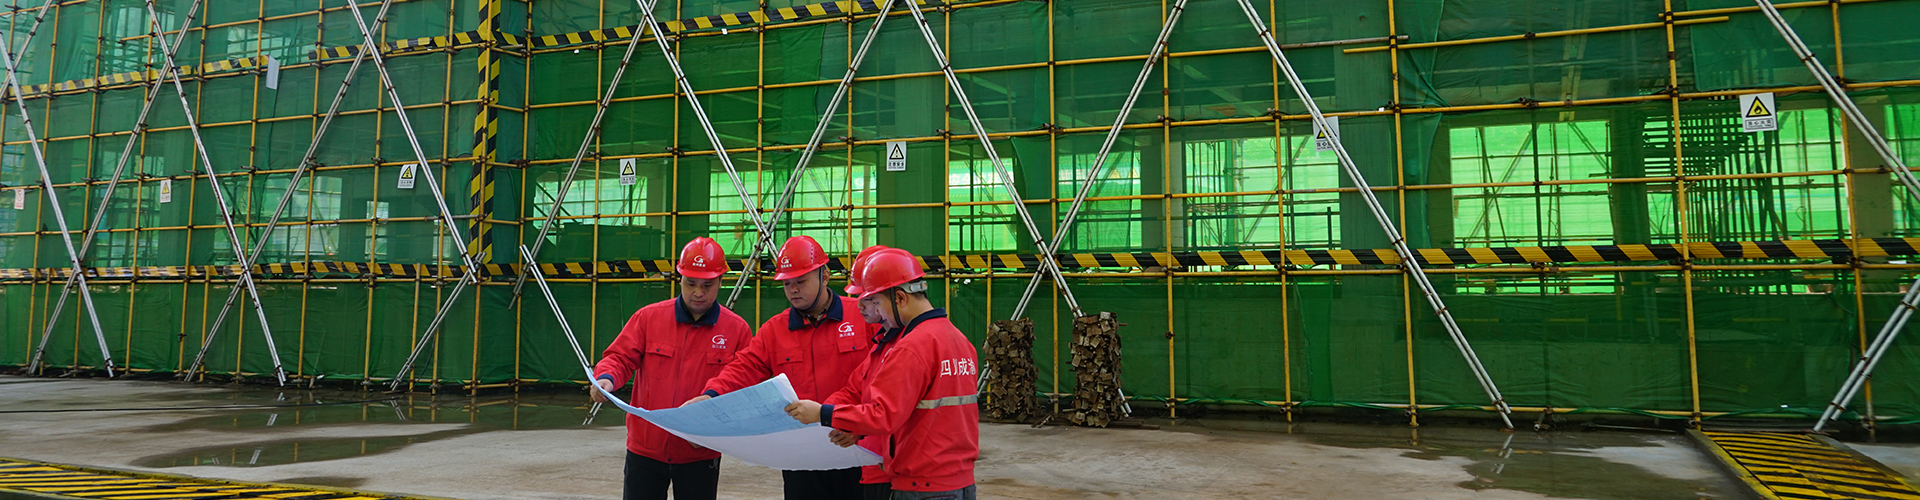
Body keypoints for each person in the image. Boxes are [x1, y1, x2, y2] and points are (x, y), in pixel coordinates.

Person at [685, 235, 881, 500]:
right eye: (787, 283)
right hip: (801, 456)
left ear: (824, 276)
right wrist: (710, 397)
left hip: (855, 448)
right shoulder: (775, 331)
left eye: (801, 281)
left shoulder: (862, 317)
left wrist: (862, 426)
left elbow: (882, 380)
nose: (793, 290)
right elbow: (743, 368)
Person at [786, 248, 981, 500]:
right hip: (960, 481)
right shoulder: (959, 340)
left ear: (899, 298)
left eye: (876, 302)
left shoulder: (911, 347)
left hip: (922, 484)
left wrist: (822, 413)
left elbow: (883, 415)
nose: (871, 310)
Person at [592, 237, 752, 500]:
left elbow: (743, 384)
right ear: (680, 279)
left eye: (707, 285)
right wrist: (606, 378)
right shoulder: (649, 318)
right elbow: (620, 356)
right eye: (691, 283)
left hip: (699, 451)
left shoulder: (737, 330)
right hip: (646, 449)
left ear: (721, 281)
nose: (698, 292)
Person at [821, 245, 898, 500]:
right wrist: (823, 416)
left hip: (896, 472)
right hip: (873, 465)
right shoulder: (881, 343)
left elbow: (893, 412)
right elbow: (854, 389)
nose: (859, 306)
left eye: (867, 298)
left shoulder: (909, 347)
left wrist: (857, 427)